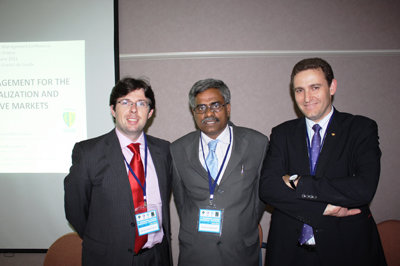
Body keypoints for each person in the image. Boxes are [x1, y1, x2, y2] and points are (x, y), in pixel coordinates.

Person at [259, 58, 386, 266]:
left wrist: (299, 182)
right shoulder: (282, 133)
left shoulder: (360, 128)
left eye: (315, 87)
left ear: (332, 86)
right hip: (290, 252)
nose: (307, 97)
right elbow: (268, 189)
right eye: (299, 90)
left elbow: (363, 188)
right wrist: (322, 208)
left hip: (346, 250)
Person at [64, 77, 172, 266]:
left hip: (156, 257)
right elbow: (76, 210)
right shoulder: (88, 152)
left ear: (150, 112)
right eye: (125, 102)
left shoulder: (165, 151)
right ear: (113, 110)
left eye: (141, 103)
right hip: (109, 258)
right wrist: (103, 241)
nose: (133, 110)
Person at [171, 78, 269, 266]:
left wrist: (240, 224)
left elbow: (259, 199)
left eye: (215, 105)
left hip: (240, 251)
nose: (208, 113)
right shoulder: (177, 149)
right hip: (196, 252)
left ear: (228, 108)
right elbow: (182, 202)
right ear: (193, 113)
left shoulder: (257, 143)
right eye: (200, 108)